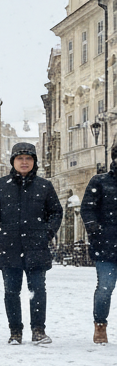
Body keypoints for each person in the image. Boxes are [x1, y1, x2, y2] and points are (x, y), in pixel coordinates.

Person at [0, 142, 63, 345]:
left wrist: (46, 233)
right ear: (13, 161)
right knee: (11, 292)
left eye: (28, 158)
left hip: (37, 247)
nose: (24, 162)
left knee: (37, 290)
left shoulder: (45, 186)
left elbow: (56, 212)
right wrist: (0, 231)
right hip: (9, 248)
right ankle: (15, 331)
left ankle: (38, 331)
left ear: (34, 162)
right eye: (20, 158)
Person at [80, 142, 117, 344]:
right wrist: (95, 228)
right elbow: (87, 208)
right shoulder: (100, 181)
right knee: (105, 286)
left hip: (106, 242)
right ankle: (100, 325)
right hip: (106, 246)